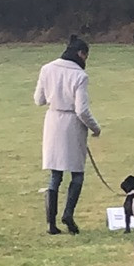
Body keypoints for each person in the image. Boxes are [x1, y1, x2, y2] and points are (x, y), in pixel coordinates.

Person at [34, 35, 101, 235]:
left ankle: (51, 223)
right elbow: (82, 110)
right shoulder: (80, 76)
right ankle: (68, 214)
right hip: (72, 124)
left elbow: (39, 100)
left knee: (55, 174)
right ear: (80, 53)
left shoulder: (47, 69)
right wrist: (95, 128)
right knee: (77, 173)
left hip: (53, 121)